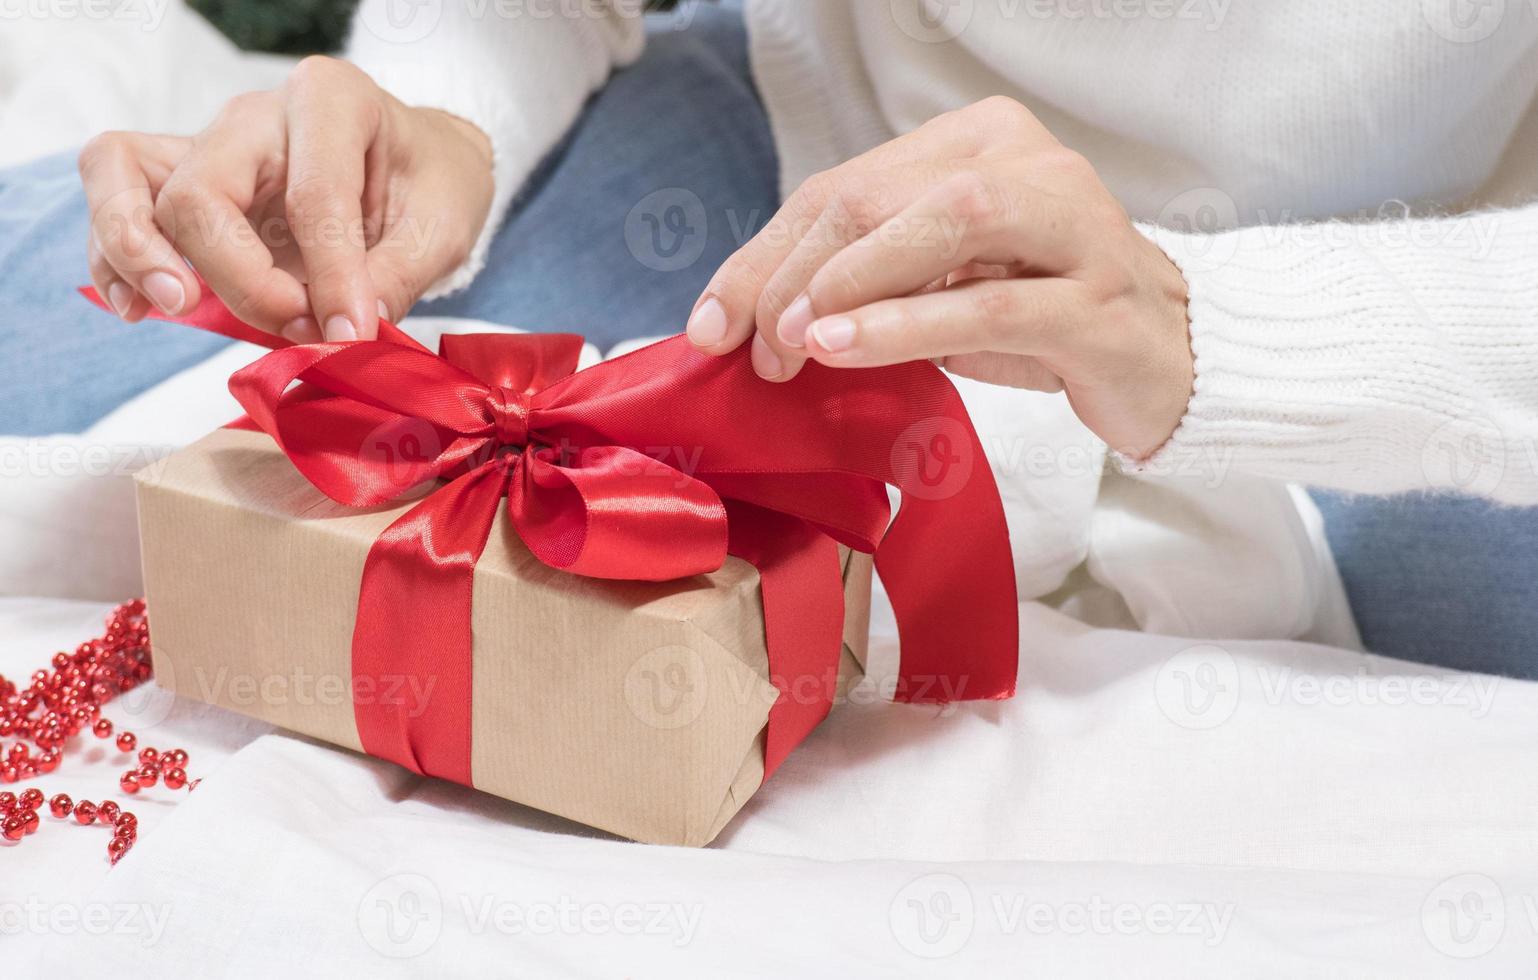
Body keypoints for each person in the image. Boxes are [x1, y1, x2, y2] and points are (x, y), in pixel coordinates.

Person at [3, 0, 1536, 671]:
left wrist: (1215, 341)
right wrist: (441, 116)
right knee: (77, 306)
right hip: (803, 162)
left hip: (1409, 276)